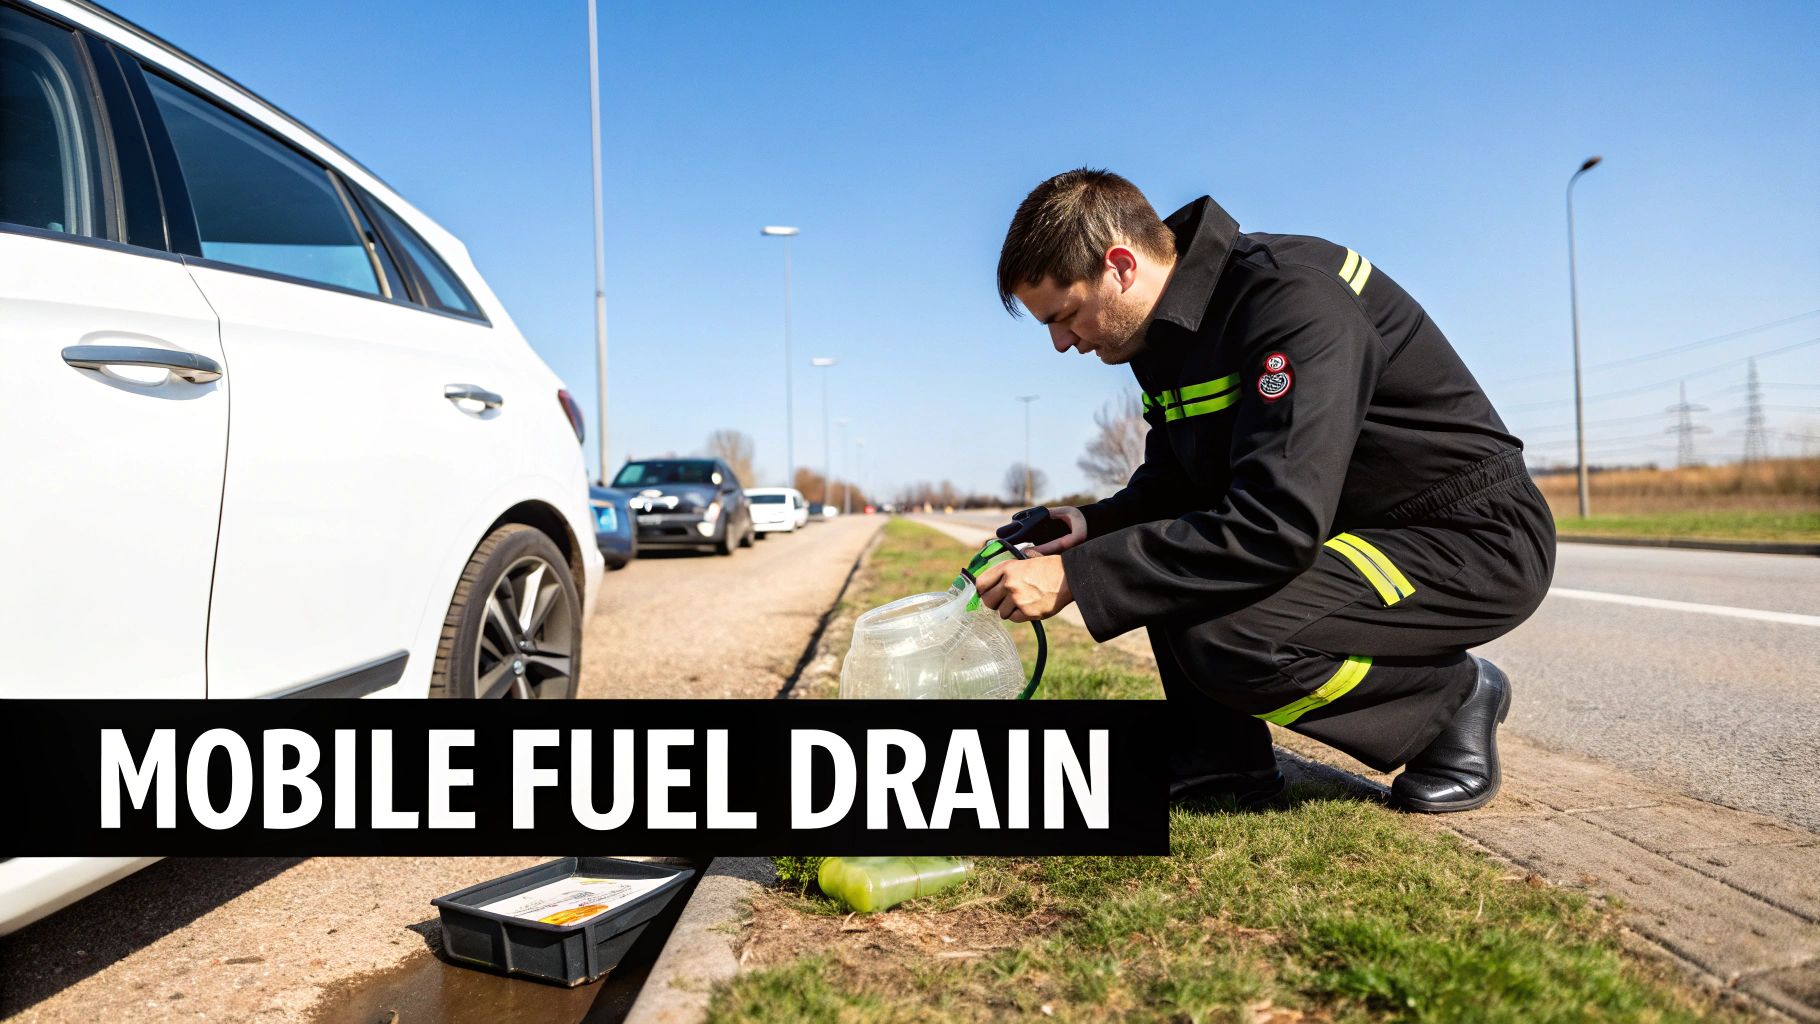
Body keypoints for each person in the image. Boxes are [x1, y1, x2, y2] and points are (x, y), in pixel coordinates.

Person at [974, 169, 1555, 813]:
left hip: (1466, 538)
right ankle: (1221, 764)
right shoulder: (1166, 336)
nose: (1061, 343)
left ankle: (1452, 700)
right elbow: (1182, 487)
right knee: (1164, 565)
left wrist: (1078, 578)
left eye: (1065, 315)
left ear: (1119, 266)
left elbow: (1274, 524)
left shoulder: (1291, 299)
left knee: (1229, 634)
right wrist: (1094, 525)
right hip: (1354, 527)